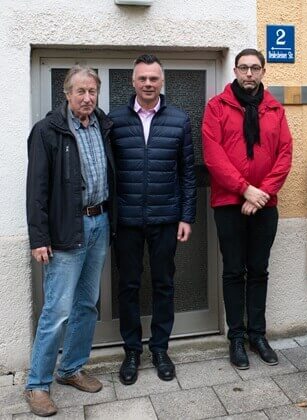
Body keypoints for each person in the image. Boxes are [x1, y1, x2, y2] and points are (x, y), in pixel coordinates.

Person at [25, 65, 116, 417]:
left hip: (99, 222)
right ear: (66, 94)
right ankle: (36, 385)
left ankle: (71, 369)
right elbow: (36, 189)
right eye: (80, 91)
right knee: (57, 311)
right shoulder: (48, 131)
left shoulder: (102, 126)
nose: (87, 98)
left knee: (87, 304)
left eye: (92, 91)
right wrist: (39, 237)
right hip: (66, 230)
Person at [202, 48, 292, 369]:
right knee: (233, 271)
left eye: (255, 68)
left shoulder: (275, 110)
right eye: (244, 68)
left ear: (263, 72)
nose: (249, 74)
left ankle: (258, 335)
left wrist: (262, 193)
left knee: (258, 271)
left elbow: (284, 155)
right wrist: (245, 190)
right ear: (235, 71)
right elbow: (213, 156)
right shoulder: (217, 107)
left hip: (265, 206)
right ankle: (236, 338)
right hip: (229, 204)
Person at [109, 54, 196, 385]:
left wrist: (186, 216)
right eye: (142, 78)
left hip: (165, 219)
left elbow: (188, 172)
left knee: (164, 285)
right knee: (128, 286)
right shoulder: (115, 120)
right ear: (133, 82)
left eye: (154, 78)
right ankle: (131, 351)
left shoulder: (179, 119)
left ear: (163, 82)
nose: (148, 84)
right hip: (127, 220)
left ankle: (160, 348)